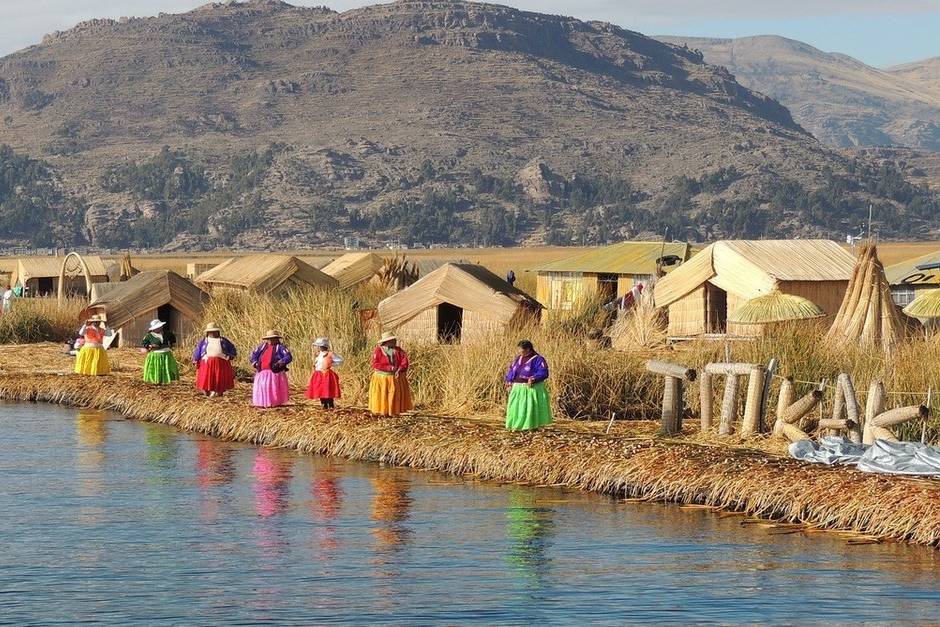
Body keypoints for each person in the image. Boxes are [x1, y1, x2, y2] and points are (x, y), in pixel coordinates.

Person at [504, 340, 552, 432]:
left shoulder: (538, 359)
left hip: (530, 388)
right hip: (517, 388)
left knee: (529, 408)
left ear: (528, 349)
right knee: (516, 407)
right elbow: (512, 370)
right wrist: (509, 380)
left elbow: (543, 372)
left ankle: (530, 426)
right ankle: (516, 425)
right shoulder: (518, 358)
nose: (520, 353)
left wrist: (534, 378)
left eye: (521, 351)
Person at [369, 332, 413, 416]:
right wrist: (390, 368)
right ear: (387, 341)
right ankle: (384, 411)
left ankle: (393, 411)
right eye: (393, 340)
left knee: (393, 394)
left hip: (395, 377)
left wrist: (400, 369)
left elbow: (405, 361)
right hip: (382, 378)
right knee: (384, 394)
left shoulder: (399, 350)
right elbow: (375, 364)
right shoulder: (378, 350)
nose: (395, 341)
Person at [192, 322, 237, 397]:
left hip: (221, 363)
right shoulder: (204, 341)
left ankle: (219, 393)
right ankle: (207, 394)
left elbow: (232, 349)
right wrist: (195, 359)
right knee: (206, 378)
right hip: (206, 363)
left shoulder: (223, 341)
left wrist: (230, 356)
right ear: (208, 332)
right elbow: (198, 350)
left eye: (214, 331)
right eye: (211, 332)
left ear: (217, 332)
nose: (213, 333)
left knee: (219, 378)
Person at [250, 330, 293, 408]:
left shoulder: (280, 347)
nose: (270, 340)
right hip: (262, 372)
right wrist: (255, 363)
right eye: (268, 339)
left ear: (277, 339)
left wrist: (280, 362)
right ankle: (263, 403)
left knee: (272, 388)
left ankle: (274, 403)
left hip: (274, 372)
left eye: (272, 339)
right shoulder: (262, 347)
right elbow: (253, 355)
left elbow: (288, 357)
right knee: (263, 387)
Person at [306, 337, 343, 409]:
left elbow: (340, 360)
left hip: (326, 374)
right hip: (318, 374)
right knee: (320, 389)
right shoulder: (318, 354)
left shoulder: (330, 354)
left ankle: (330, 404)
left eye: (319, 346)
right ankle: (324, 405)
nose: (319, 347)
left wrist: (331, 364)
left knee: (327, 389)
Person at [141, 319, 179, 385]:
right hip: (155, 355)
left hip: (166, 355)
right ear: (154, 329)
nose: (159, 328)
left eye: (160, 326)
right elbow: (144, 343)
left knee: (167, 368)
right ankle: (156, 381)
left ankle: (166, 381)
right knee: (157, 368)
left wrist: (171, 346)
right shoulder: (149, 336)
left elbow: (173, 339)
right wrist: (150, 346)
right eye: (157, 327)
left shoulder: (167, 333)